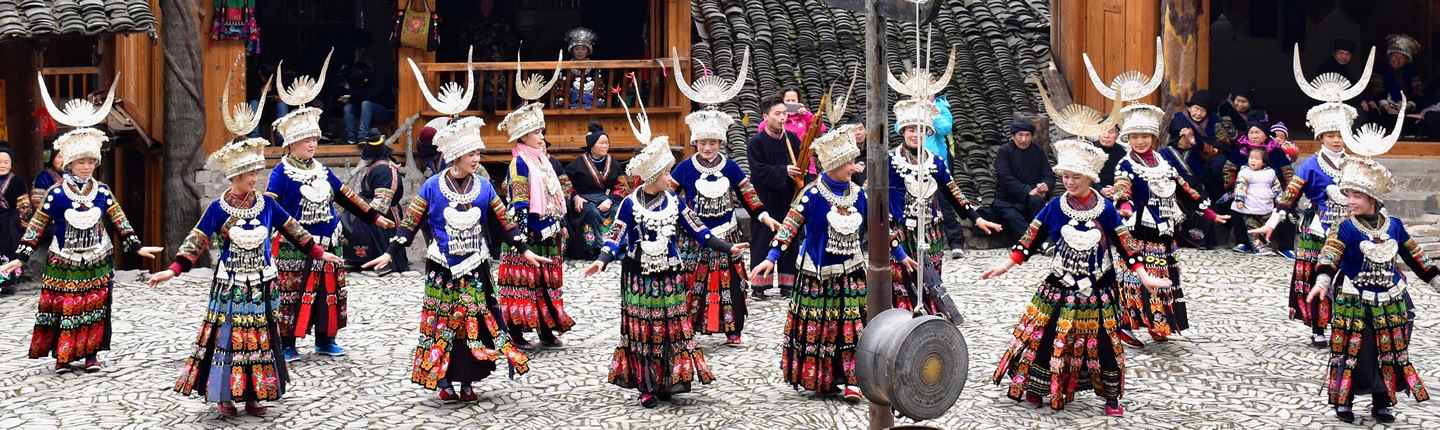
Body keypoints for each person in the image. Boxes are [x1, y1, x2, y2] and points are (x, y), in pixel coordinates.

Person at [149, 136, 340, 416]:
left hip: (262, 282)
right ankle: (225, 394)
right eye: (250, 174)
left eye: (256, 172)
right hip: (231, 285)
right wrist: (174, 269)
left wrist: (318, 252)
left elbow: (293, 229)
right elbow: (197, 239)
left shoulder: (266, 206)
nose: (255, 178)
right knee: (228, 337)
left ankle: (254, 394)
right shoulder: (217, 208)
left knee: (260, 340)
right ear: (235, 176)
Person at [984, 137, 1168, 417]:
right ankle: (1037, 386)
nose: (1070, 182)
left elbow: (1126, 246)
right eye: (1066, 176)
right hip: (1060, 283)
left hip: (1098, 286)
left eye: (1076, 177)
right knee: (1046, 336)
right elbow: (1031, 238)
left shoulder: (1105, 209)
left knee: (1104, 342)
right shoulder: (1055, 206)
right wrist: (1006, 265)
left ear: (1090, 178)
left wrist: (1145, 277)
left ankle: (1110, 396)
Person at [361, 116, 539, 402]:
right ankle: (443, 380)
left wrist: (525, 249)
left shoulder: (484, 186)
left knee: (474, 322)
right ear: (455, 156)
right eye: (472, 154)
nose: (476, 159)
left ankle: (469, 379)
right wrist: (389, 253)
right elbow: (410, 223)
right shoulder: (432, 186)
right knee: (443, 323)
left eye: (478, 153)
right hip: (442, 267)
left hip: (475, 266)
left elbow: (504, 222)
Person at [0, 77, 164, 372]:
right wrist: (18, 258)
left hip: (97, 259)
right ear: (69, 165)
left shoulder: (101, 191)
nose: (87, 167)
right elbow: (37, 226)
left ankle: (91, 355)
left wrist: (136, 246)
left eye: (91, 161)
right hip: (64, 260)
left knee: (95, 307)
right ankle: (64, 355)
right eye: (80, 162)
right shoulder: (56, 193)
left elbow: (118, 219)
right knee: (66, 306)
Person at [749, 124, 918, 402]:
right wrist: (771, 258)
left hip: (851, 274)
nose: (855, 167)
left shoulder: (860, 195)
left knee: (855, 329)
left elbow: (881, 226)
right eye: (850, 162)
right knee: (822, 331)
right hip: (817, 277)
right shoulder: (812, 196)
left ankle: (854, 381)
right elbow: (789, 227)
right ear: (835, 164)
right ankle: (823, 380)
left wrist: (901, 256)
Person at [582, 124, 746, 408]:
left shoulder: (675, 202)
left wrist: (727, 246)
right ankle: (645, 385)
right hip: (638, 277)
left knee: (670, 327)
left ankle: (667, 378)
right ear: (653, 176)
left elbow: (700, 231)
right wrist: (602, 259)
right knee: (642, 329)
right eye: (667, 173)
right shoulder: (630, 204)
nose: (671, 178)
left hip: (670, 275)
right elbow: (616, 235)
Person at [1308, 128, 1438, 423]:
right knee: (1354, 350)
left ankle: (1383, 401)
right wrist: (1322, 280)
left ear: (1373, 199)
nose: (1350, 201)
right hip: (1354, 299)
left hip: (1390, 300)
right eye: (1349, 195)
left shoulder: (1394, 226)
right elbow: (1331, 252)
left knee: (1389, 349)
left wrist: (1435, 280)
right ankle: (1345, 400)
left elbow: (1416, 255)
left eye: (1357, 195)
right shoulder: (1345, 226)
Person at [267, 81, 396, 361]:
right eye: (306, 140)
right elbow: (270, 207)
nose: (312, 144)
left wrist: (375, 217)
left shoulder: (322, 170)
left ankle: (326, 339)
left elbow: (346, 196)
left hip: (330, 243)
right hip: (294, 247)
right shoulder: (281, 172)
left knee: (330, 294)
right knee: (292, 294)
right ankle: (288, 342)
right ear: (291, 144)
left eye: (314, 138)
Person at [1252, 61, 1368, 348]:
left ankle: (1346, 324)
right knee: (1316, 275)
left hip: (1350, 228)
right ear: (1320, 137)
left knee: (1347, 276)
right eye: (1331, 135)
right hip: (1318, 227)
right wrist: (1270, 224)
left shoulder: (1356, 163)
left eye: (1341, 135)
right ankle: (1317, 327)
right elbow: (1288, 198)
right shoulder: (1310, 166)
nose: (1337, 140)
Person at [1112, 103, 1228, 345]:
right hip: (1138, 233)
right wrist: (1125, 206)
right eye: (1135, 136)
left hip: (1165, 230)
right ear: (1129, 138)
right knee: (1134, 281)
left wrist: (1209, 214)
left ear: (1152, 136)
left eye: (1144, 136)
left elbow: (1185, 190)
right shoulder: (1126, 164)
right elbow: (1123, 187)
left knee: (1165, 279)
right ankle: (1126, 326)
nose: (1140, 141)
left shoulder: (1163, 162)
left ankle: (1157, 322)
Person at [671, 107, 776, 345]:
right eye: (703, 143)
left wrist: (764, 216)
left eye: (713, 143)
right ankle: (689, 329)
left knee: (732, 284)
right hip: (695, 238)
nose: (707, 148)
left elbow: (748, 194)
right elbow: (668, 196)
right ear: (695, 142)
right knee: (692, 283)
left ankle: (733, 330)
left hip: (728, 236)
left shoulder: (731, 167)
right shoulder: (685, 167)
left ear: (721, 142)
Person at [887, 97, 1001, 312]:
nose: (915, 134)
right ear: (903, 131)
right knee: (901, 279)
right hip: (900, 231)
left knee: (930, 277)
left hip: (930, 232)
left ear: (927, 132)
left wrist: (976, 218)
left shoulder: (935, 161)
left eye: (920, 129)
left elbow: (953, 192)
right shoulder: (890, 161)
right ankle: (903, 318)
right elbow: (872, 198)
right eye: (910, 129)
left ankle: (930, 315)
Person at [496, 102, 575, 350]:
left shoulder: (542, 161)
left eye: (542, 132)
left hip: (549, 233)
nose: (542, 137)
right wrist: (521, 240)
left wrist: (560, 222)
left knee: (545, 283)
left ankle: (545, 327)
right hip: (528, 233)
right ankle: (516, 332)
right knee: (523, 285)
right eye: (538, 133)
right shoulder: (519, 163)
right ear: (523, 136)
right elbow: (519, 203)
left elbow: (554, 195)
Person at [746, 96, 803, 299]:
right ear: (765, 116)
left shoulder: (793, 139)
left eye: (784, 113)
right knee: (762, 241)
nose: (782, 118)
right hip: (765, 199)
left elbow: (801, 164)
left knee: (790, 239)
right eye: (777, 114)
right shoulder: (756, 142)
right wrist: (783, 171)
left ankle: (788, 285)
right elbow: (758, 171)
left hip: (789, 198)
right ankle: (759, 286)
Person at [564, 122, 632, 260]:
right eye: (602, 143)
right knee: (590, 212)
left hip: (606, 198)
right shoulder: (578, 163)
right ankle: (592, 249)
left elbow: (622, 187)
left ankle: (615, 247)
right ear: (592, 145)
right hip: (584, 199)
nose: (605, 146)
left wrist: (610, 200)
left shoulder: (613, 163)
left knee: (617, 210)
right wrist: (575, 197)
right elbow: (564, 184)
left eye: (607, 143)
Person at [344, 130, 407, 274]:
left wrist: (365, 212)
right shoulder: (379, 166)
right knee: (348, 215)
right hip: (372, 205)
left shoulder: (384, 170)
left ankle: (371, 259)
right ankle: (356, 258)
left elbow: (381, 203)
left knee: (356, 221)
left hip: (384, 213)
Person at [1161, 92, 1216, 249]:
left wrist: (1194, 141)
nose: (1189, 139)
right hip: (1176, 189)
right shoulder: (1165, 153)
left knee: (1204, 200)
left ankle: (1202, 240)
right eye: (1186, 136)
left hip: (1196, 188)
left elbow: (1211, 155)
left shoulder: (1196, 151)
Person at [989, 121, 1053, 242]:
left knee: (1038, 201)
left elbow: (1048, 174)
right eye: (1020, 135)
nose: (1023, 139)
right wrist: (1027, 190)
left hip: (1031, 196)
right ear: (1012, 136)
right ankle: (1036, 241)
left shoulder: (1037, 150)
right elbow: (1005, 177)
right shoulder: (1004, 151)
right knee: (1011, 216)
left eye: (1027, 135)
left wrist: (1046, 185)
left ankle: (1043, 239)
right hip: (1006, 199)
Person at [1363, 34, 1423, 133]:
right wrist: (1386, 106)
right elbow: (1376, 88)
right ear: (1389, 56)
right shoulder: (1380, 68)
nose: (1397, 60)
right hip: (1383, 108)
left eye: (1402, 57)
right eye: (1394, 55)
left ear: (1406, 60)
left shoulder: (1411, 72)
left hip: (1406, 109)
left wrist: (1409, 105)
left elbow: (1419, 92)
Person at [1230, 148, 1281, 254]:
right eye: (1251, 157)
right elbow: (1240, 185)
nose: (1253, 160)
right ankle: (1258, 247)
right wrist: (1240, 199)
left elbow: (1277, 187)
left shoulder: (1270, 173)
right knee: (1252, 227)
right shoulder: (1245, 172)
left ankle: (1266, 245)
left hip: (1264, 204)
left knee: (1264, 225)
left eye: (1257, 158)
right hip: (1249, 204)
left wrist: (1280, 200)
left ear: (1264, 162)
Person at [0, 142, 30, 296]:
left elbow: (23, 205)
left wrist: (20, 220)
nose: (2, 165)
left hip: (9, 221)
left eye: (6, 162)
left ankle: (8, 283)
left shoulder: (17, 182)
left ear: (11, 164)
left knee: (9, 247)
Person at [340, 61, 394, 145]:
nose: (365, 81)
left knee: (366, 103)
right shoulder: (355, 76)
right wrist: (349, 98)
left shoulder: (379, 77)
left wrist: (351, 91)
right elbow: (359, 95)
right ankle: (351, 139)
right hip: (364, 111)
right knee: (348, 107)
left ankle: (362, 136)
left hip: (383, 110)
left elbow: (370, 96)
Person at [554, 27, 605, 109]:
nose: (580, 52)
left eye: (583, 49)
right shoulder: (565, 69)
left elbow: (600, 90)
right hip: (570, 104)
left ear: (588, 51)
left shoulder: (595, 68)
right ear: (572, 50)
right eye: (577, 49)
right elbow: (559, 91)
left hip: (591, 104)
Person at [29, 147, 63, 213]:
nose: (64, 160)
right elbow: (37, 203)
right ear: (52, 159)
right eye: (60, 156)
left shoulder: (79, 175)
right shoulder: (43, 177)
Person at [847, 115, 870, 186]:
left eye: (860, 129)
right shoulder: (846, 153)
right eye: (854, 130)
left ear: (866, 130)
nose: (858, 132)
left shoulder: (874, 149)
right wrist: (851, 170)